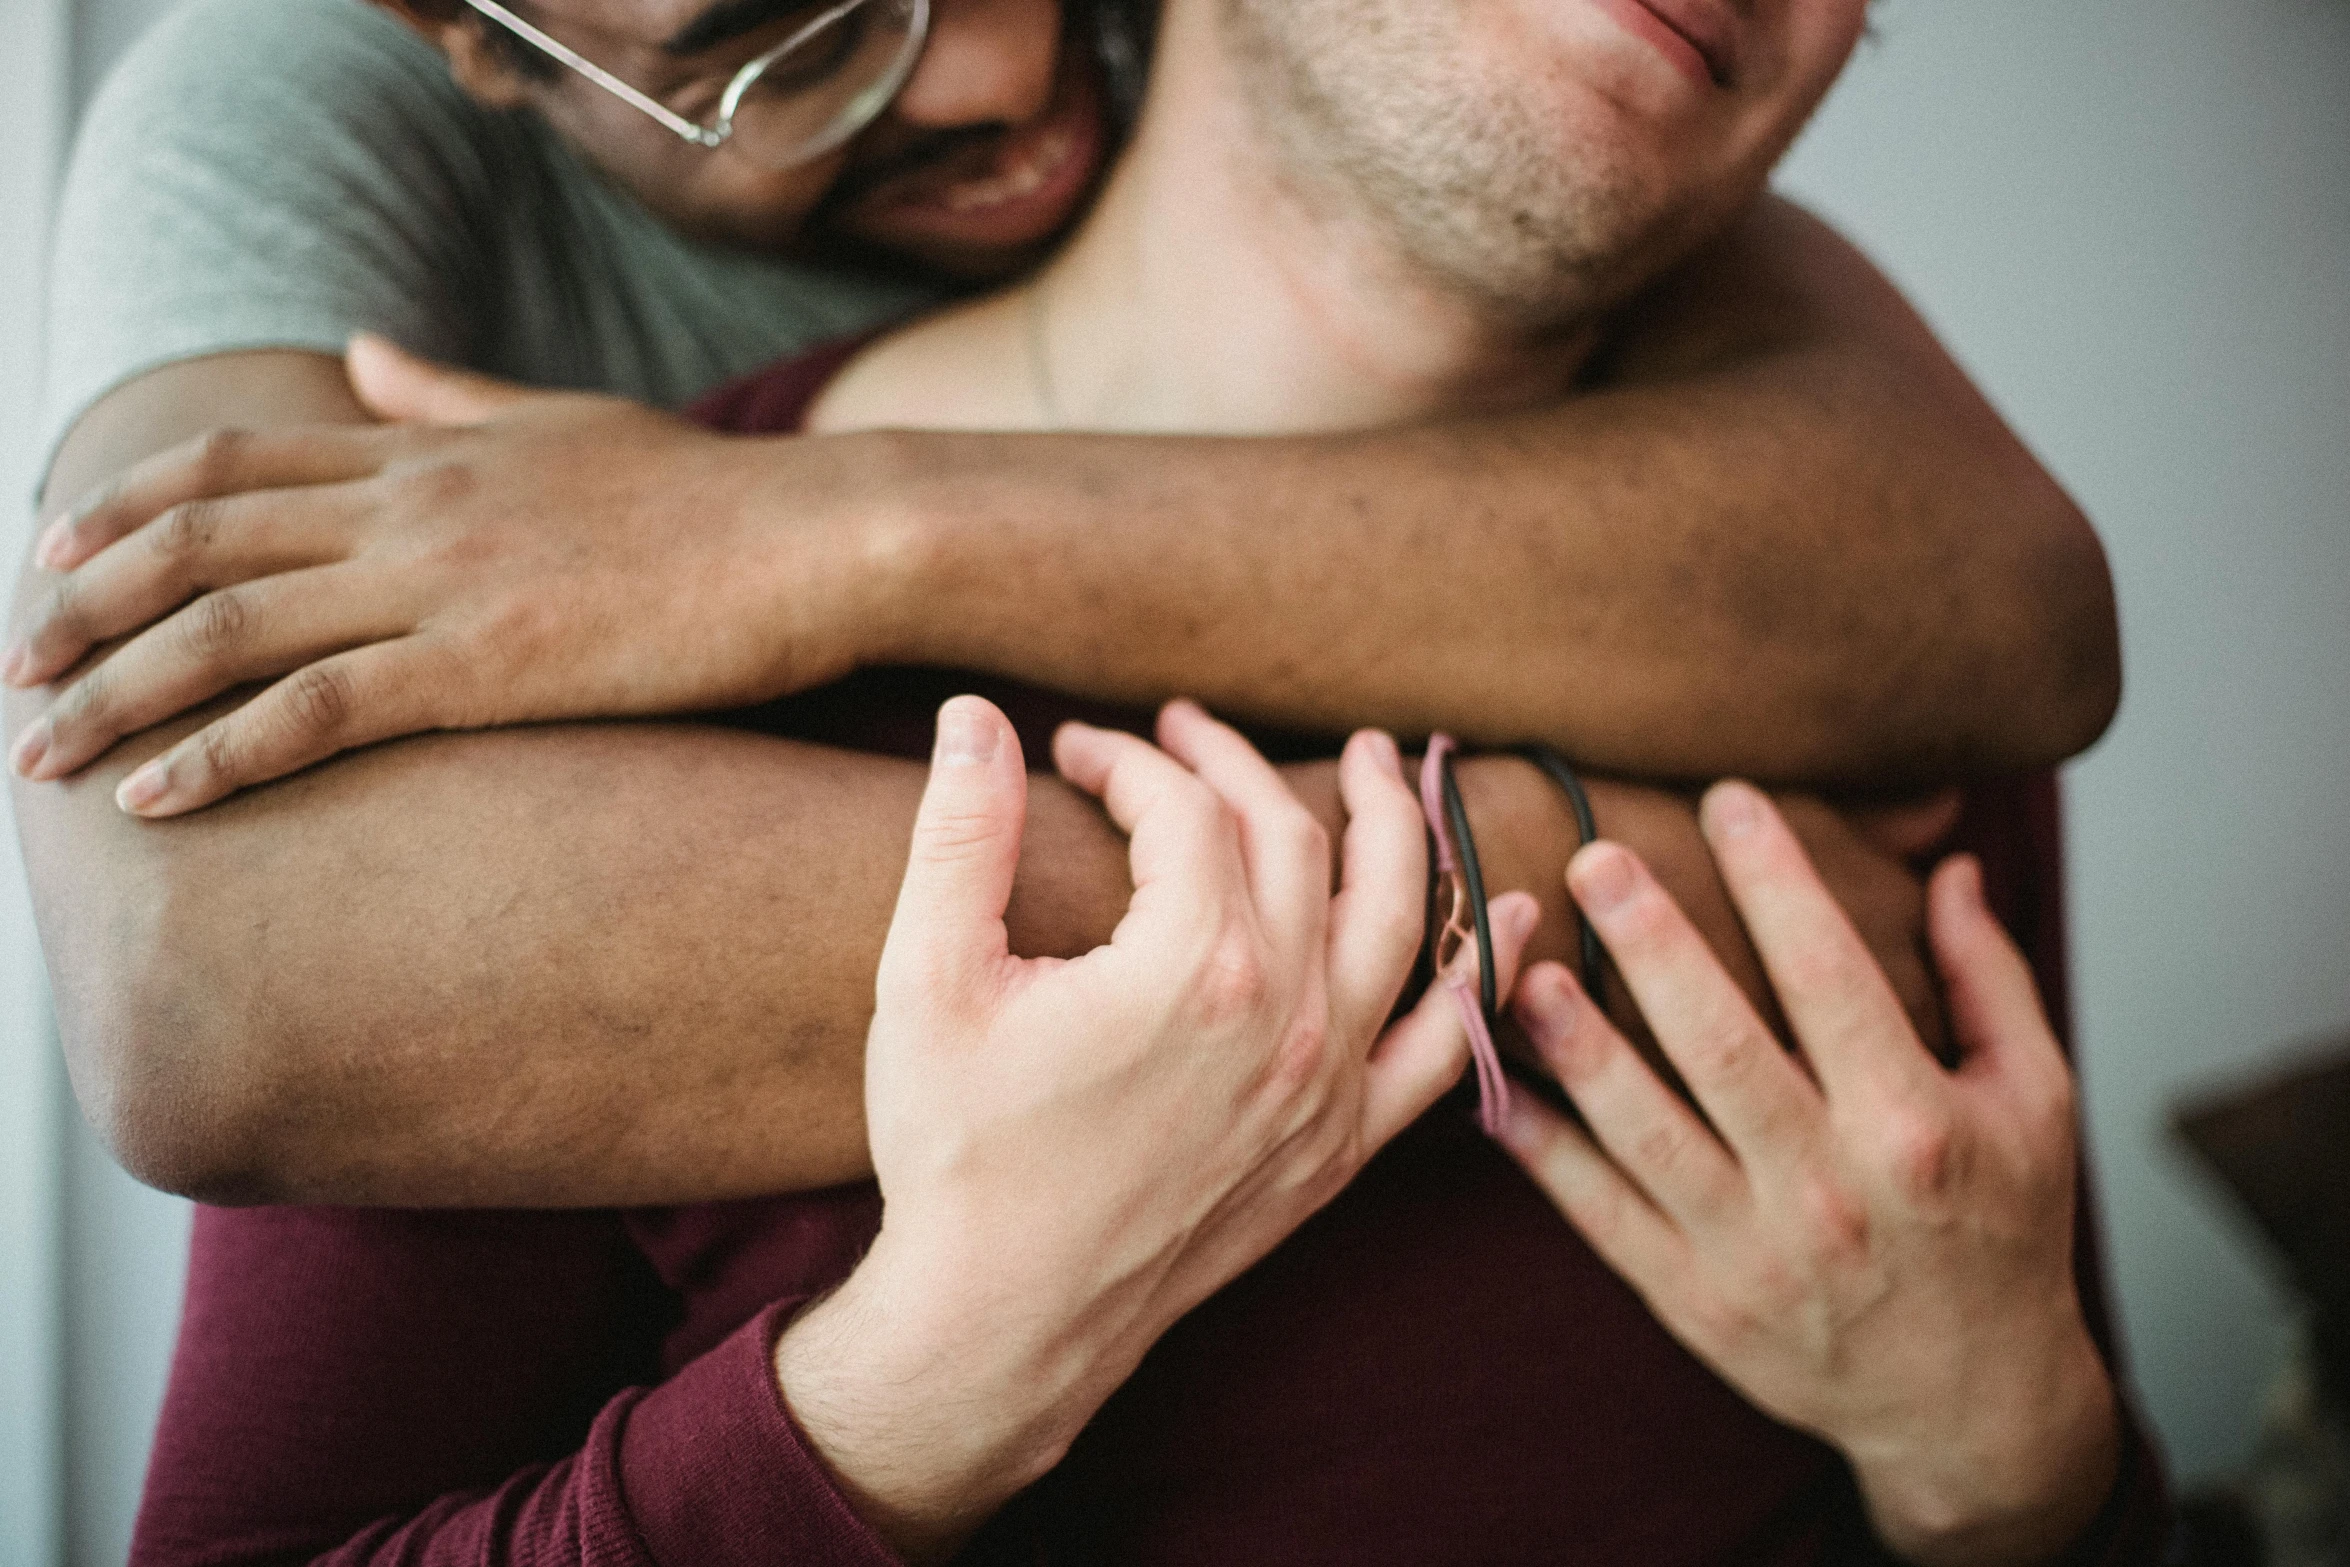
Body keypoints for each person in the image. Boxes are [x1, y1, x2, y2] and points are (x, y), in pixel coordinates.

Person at [106, 0, 2161, 1561]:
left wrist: (2011, 1472)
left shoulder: (1869, 655)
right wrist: (891, 1404)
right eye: (785, 40)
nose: (983, 73)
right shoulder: (523, 636)